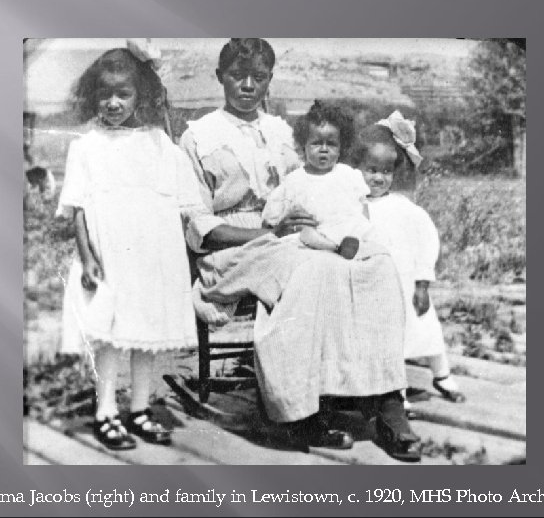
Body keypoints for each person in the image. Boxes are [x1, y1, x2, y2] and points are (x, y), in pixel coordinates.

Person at [180, 38, 421, 462]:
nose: (248, 86)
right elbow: (196, 224)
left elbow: (310, 188)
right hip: (233, 248)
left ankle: (384, 397)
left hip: (295, 238)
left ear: (270, 80)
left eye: (258, 77)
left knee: (378, 264)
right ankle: (292, 414)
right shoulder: (198, 136)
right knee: (313, 269)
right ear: (220, 77)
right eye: (238, 76)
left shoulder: (280, 132)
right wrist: (270, 231)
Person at [56, 48, 204, 450]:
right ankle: (105, 411)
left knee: (145, 334)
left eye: (124, 94)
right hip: (107, 257)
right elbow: (79, 210)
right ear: (93, 96)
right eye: (105, 95)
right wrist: (87, 258)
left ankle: (139, 408)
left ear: (141, 96)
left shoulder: (158, 143)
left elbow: (181, 204)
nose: (114, 103)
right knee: (108, 336)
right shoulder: (86, 148)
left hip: (149, 259)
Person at [354, 111, 466, 406]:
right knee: (387, 339)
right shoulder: (353, 206)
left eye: (386, 172)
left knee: (426, 327)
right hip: (376, 286)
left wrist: (423, 283)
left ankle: (441, 374)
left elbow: (426, 242)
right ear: (357, 169)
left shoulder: (404, 208)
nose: (378, 177)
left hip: (407, 283)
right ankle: (395, 392)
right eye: (371, 170)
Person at [262, 100, 374, 259]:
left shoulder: (348, 175)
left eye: (331, 144)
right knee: (305, 235)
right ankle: (334, 249)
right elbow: (273, 215)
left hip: (345, 232)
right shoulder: (295, 179)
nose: (323, 149)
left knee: (356, 231)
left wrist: (361, 230)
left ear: (341, 147)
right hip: (312, 236)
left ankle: (345, 248)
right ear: (304, 146)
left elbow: (363, 209)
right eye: (316, 143)